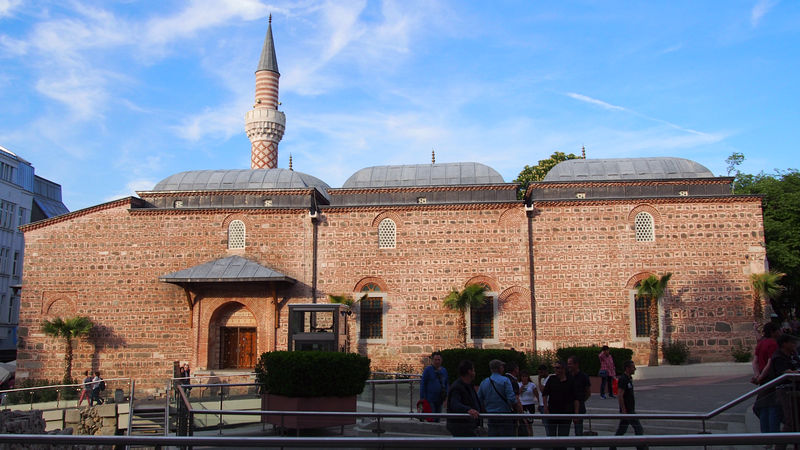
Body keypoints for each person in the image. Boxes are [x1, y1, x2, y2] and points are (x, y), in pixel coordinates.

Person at [757, 334, 800, 449]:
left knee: (793, 420)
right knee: (789, 421)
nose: (794, 345)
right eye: (792, 343)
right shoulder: (778, 356)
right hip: (785, 391)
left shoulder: (792, 355)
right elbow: (785, 373)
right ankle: (779, 446)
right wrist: (760, 377)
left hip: (794, 390)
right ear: (784, 344)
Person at [478, 359, 517, 449]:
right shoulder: (505, 381)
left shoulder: (484, 382)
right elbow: (511, 399)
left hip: (491, 415)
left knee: (493, 442)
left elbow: (479, 399)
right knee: (506, 443)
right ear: (500, 368)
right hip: (505, 415)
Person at [752, 322, 782, 434]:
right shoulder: (774, 344)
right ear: (773, 332)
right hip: (772, 379)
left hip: (763, 379)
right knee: (773, 408)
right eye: (778, 330)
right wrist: (761, 377)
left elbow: (754, 361)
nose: (780, 332)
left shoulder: (761, 343)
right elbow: (769, 364)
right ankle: (774, 436)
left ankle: (765, 437)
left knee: (764, 408)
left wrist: (757, 376)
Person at [610, 360, 645, 450]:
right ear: (627, 368)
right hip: (628, 411)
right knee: (639, 430)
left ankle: (612, 446)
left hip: (629, 410)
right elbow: (620, 395)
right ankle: (641, 448)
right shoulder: (623, 379)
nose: (635, 369)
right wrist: (624, 411)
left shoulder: (629, 379)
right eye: (633, 367)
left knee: (621, 431)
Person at [446, 360, 482, 445]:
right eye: (473, 370)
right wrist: (468, 410)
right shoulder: (458, 387)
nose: (474, 372)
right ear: (469, 371)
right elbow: (454, 404)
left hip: (468, 425)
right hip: (461, 425)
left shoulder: (468, 385)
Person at [542, 360, 573, 450]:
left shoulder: (570, 380)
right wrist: (545, 408)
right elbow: (545, 394)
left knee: (563, 438)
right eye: (554, 368)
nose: (555, 369)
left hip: (566, 413)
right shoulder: (552, 379)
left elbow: (575, 397)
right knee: (552, 438)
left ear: (563, 369)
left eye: (557, 368)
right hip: (552, 411)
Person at [568, 355, 591, 449]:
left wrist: (581, 400)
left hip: (580, 407)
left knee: (578, 430)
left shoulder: (583, 377)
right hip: (568, 407)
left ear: (576, 364)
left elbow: (588, 392)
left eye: (570, 364)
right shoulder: (567, 375)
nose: (568, 365)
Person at [420, 352, 448, 421]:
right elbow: (423, 384)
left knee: (438, 418)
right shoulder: (428, 370)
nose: (437, 361)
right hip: (430, 399)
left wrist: (446, 397)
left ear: (441, 360)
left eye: (439, 360)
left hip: (440, 399)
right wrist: (422, 398)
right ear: (432, 360)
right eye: (435, 360)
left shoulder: (444, 371)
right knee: (431, 418)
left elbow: (446, 384)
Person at [519, 369, 538, 437]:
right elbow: (516, 395)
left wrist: (538, 403)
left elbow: (536, 394)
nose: (524, 378)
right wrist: (520, 390)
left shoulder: (532, 385)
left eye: (526, 376)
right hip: (522, 405)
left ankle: (531, 437)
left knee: (530, 423)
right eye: (523, 376)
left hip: (530, 404)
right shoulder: (519, 384)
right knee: (524, 423)